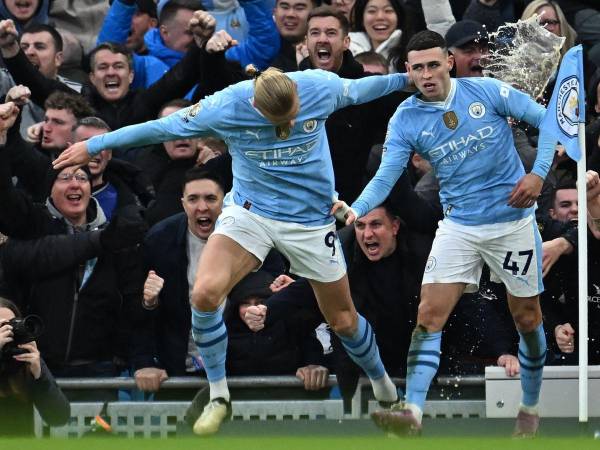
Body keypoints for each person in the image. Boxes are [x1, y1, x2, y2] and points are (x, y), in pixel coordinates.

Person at [53, 66, 412, 435]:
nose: (285, 126)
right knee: (205, 294)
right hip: (250, 214)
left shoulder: (319, 87)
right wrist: (95, 144)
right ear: (256, 104)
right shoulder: (224, 106)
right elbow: (161, 129)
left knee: (344, 321)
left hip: (310, 220)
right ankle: (219, 395)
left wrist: (406, 79)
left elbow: (367, 87)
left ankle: (385, 388)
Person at [343, 30, 556, 437]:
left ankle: (529, 406)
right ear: (408, 71)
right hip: (459, 226)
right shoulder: (405, 118)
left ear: (449, 63)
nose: (426, 74)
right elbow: (387, 174)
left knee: (527, 318)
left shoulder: (487, 91)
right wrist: (356, 208)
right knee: (428, 315)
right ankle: (413, 413)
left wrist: (537, 174)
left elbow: (550, 122)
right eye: (417, 67)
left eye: (433, 65)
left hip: (511, 224)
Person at [0, 297, 70, 435]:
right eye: (1, 327)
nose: (6, 332)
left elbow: (59, 418)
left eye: (11, 325)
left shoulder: (25, 359)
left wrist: (40, 376)